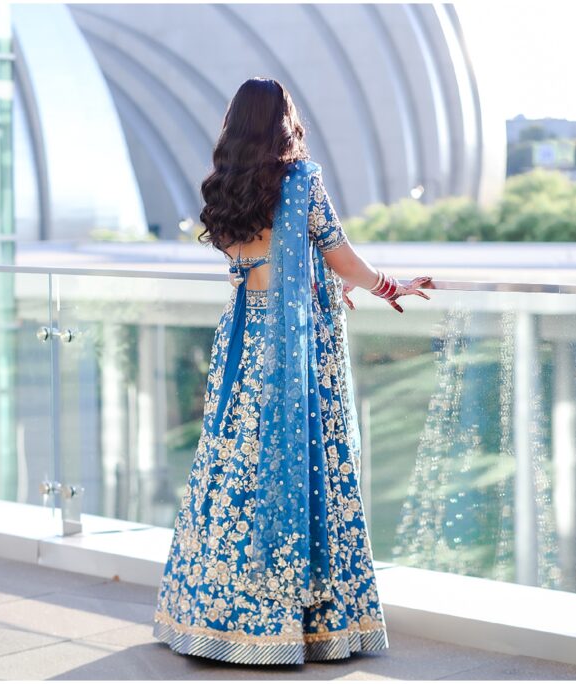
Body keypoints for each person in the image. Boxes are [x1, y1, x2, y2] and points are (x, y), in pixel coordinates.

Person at [152, 77, 434, 665]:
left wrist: (315, 286)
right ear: (284, 120)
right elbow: (340, 254)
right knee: (309, 462)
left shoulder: (225, 187)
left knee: (236, 463)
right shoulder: (302, 180)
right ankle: (311, 625)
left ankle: (212, 617)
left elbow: (255, 260)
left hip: (246, 340)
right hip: (299, 349)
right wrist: (389, 286)